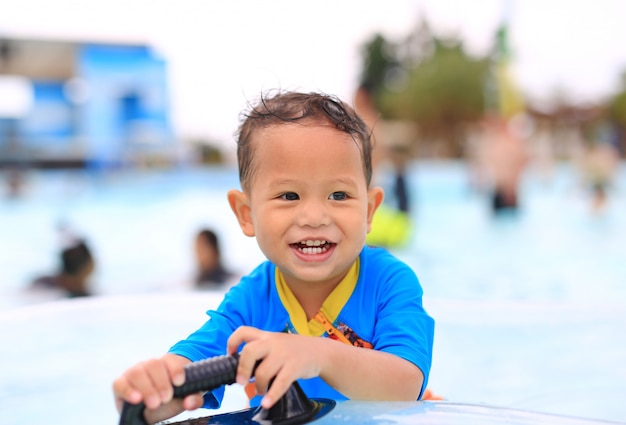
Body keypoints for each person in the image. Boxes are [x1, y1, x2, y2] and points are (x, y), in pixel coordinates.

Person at [112, 91, 435, 424]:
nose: (314, 216)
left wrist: (318, 355)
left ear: (369, 211)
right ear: (246, 214)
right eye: (289, 195)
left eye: (339, 195)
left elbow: (406, 384)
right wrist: (154, 389)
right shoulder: (251, 300)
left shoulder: (389, 283)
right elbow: (190, 365)